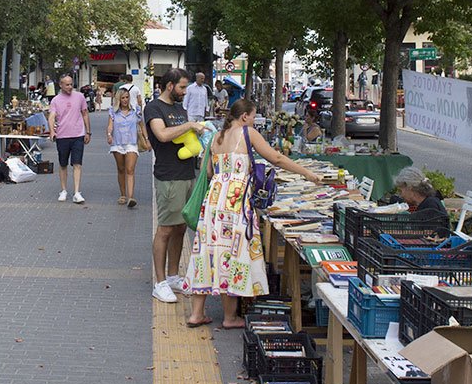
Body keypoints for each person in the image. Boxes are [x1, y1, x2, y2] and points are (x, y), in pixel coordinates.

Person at [183, 99, 321, 328]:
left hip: (214, 202)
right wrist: (306, 172)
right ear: (245, 116)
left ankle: (196, 314)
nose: (254, 120)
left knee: (207, 253)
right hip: (236, 202)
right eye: (253, 116)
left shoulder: (217, 137)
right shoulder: (248, 133)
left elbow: (207, 171)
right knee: (233, 254)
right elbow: (275, 158)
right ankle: (229, 317)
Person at [145, 68, 205, 303]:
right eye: (181, 87)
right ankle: (159, 283)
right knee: (166, 228)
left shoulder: (180, 107)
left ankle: (173, 276)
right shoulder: (154, 108)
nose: (184, 91)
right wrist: (190, 125)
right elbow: (162, 135)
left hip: (187, 173)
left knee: (181, 227)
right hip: (169, 176)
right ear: (170, 86)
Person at [48, 75, 92, 204]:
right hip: (62, 135)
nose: (69, 87)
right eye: (66, 84)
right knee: (63, 164)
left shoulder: (80, 97)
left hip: (78, 134)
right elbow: (51, 116)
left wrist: (88, 131)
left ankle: (77, 192)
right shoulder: (55, 100)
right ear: (60, 85)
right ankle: (63, 190)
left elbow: (85, 113)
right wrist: (52, 131)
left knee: (77, 164)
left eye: (71, 84)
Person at [107, 88, 150, 208]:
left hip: (131, 143)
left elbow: (142, 126)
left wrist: (147, 140)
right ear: (119, 99)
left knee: (130, 170)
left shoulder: (136, 110)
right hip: (118, 143)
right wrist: (109, 135)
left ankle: (131, 197)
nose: (125, 100)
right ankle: (123, 194)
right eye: (123, 98)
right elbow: (110, 126)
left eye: (127, 97)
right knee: (121, 169)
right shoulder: (113, 112)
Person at [394, 167, 450, 231]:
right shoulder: (428, 202)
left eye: (401, 191)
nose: (401, 195)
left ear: (410, 188)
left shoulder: (430, 206)